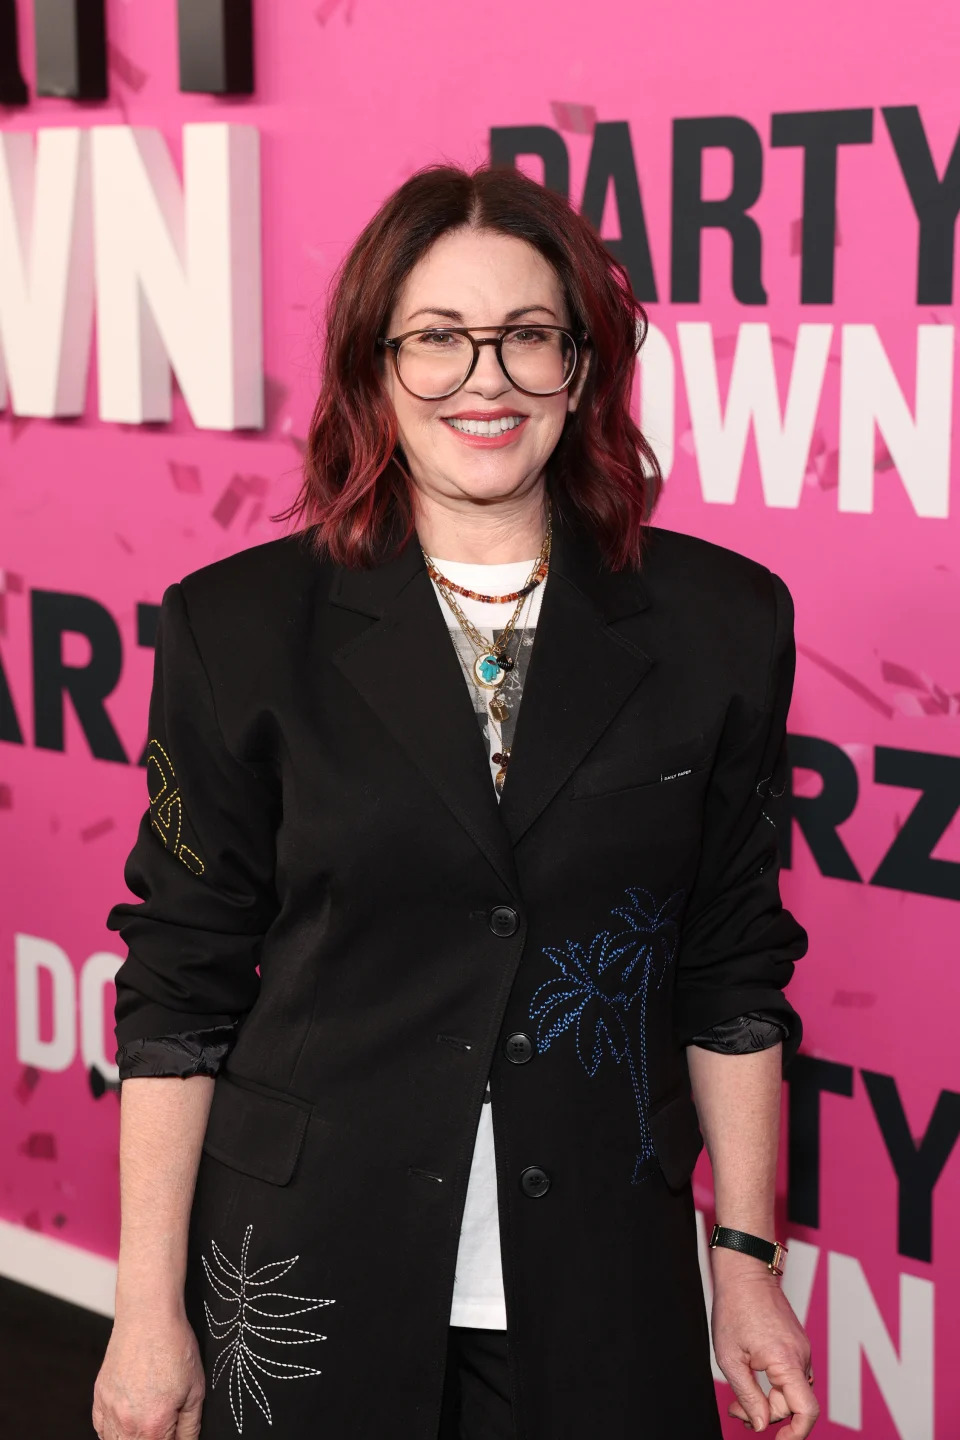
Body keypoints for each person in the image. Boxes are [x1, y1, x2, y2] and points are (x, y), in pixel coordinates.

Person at [93, 162, 818, 1440]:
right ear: (373, 369)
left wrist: (746, 1259)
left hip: (604, 1273)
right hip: (306, 1268)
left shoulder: (722, 624)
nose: (484, 379)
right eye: (436, 339)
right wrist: (146, 1309)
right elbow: (179, 991)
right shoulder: (240, 629)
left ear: (583, 370)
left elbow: (734, 967)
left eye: (528, 337)